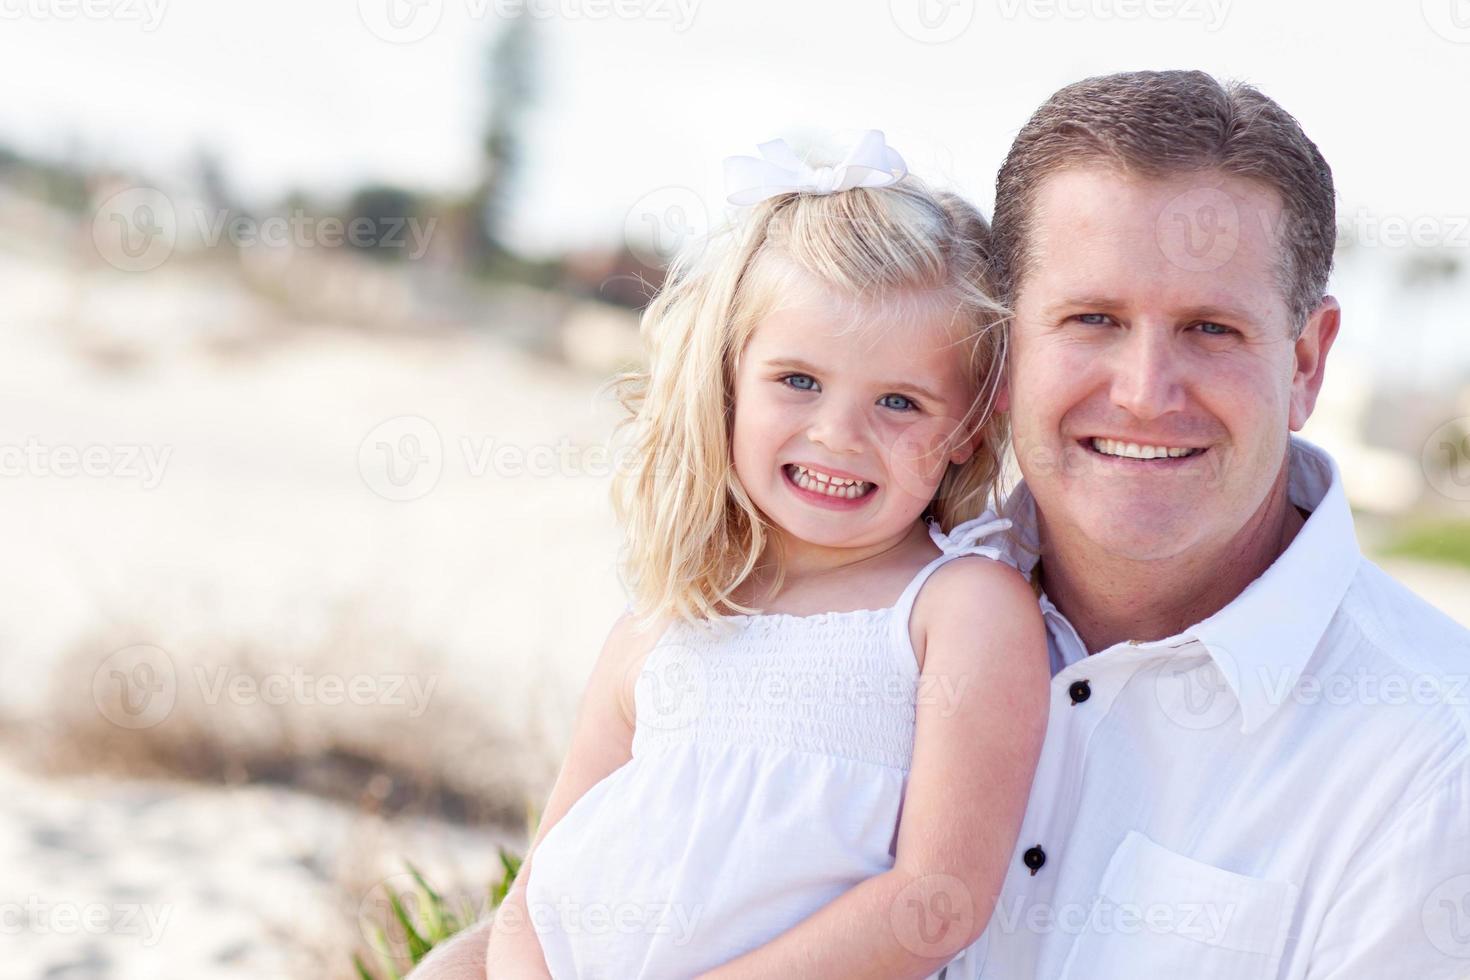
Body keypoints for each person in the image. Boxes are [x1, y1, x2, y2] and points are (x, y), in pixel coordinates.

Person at [479, 131, 1049, 978]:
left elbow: (937, 900)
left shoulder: (956, 610)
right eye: (799, 381)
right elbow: (534, 896)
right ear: (728, 383)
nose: (838, 434)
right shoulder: (663, 623)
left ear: (968, 430)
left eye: (900, 400)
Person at [971, 70, 1470, 977]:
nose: (1144, 392)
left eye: (1210, 329)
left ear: (1308, 364)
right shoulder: (865, 631)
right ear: (1004, 348)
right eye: (1093, 318)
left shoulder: (1439, 763)